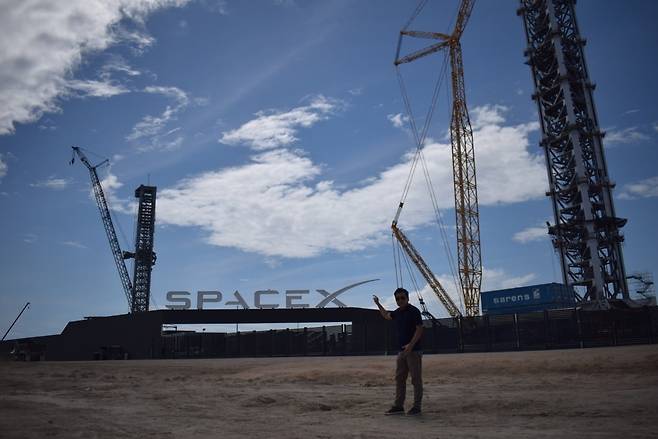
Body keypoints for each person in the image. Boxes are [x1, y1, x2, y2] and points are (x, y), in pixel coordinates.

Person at [373, 287, 424, 416]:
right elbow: (386, 316)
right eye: (397, 299)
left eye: (402, 298)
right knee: (400, 379)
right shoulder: (397, 313)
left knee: (416, 379)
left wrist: (411, 346)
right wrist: (378, 304)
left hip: (414, 351)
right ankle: (398, 406)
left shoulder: (414, 311)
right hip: (401, 351)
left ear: (407, 298)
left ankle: (416, 407)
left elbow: (419, 329)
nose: (400, 300)